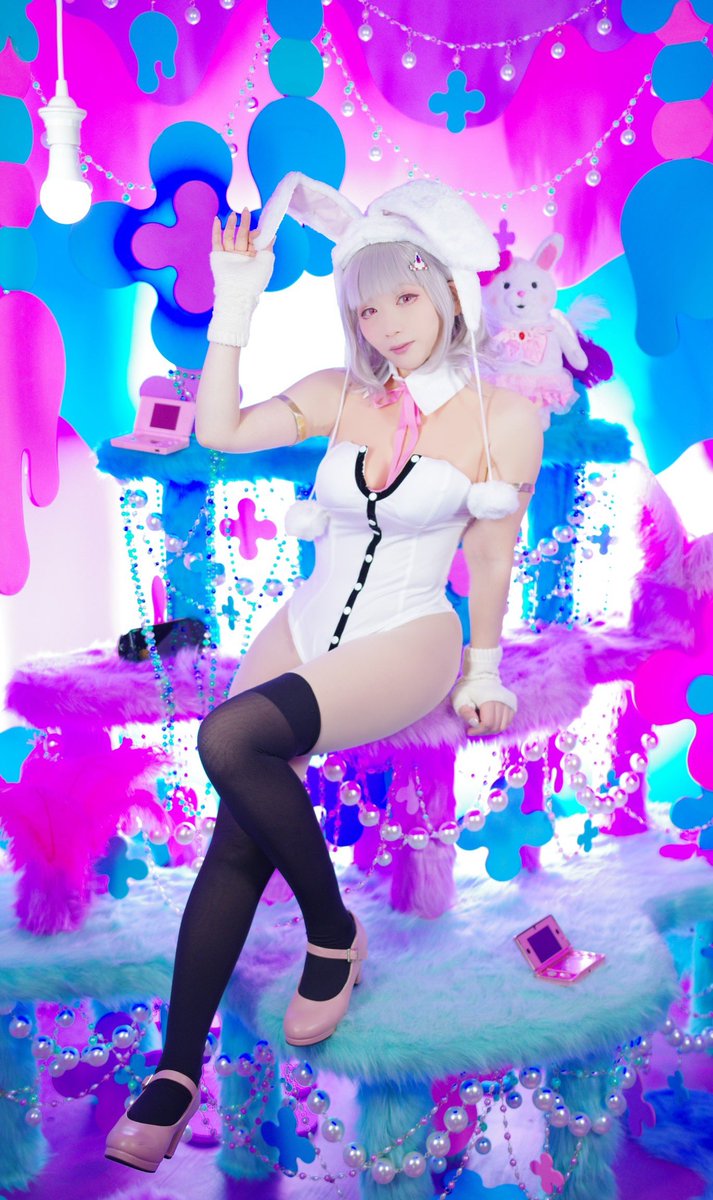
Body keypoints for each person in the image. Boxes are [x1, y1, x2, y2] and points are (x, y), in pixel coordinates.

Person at [105, 174, 543, 1172]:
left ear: (449, 291)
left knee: (229, 737)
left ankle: (330, 930)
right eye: (367, 307)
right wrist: (236, 303)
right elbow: (218, 430)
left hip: (411, 635)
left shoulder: (503, 418)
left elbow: (489, 555)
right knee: (237, 824)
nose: (386, 325)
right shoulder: (341, 393)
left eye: (405, 297)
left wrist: (482, 670)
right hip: (306, 622)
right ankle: (176, 1069)